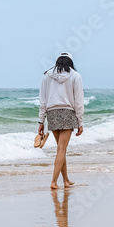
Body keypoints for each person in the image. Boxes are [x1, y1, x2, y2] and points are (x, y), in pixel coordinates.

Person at [38, 52, 84, 190]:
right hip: (67, 113)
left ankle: (66, 180)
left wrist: (41, 121)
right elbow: (79, 101)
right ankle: (53, 182)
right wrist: (80, 122)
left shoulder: (47, 75)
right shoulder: (75, 76)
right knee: (61, 150)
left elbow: (42, 100)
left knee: (60, 149)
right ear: (70, 62)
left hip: (52, 113)